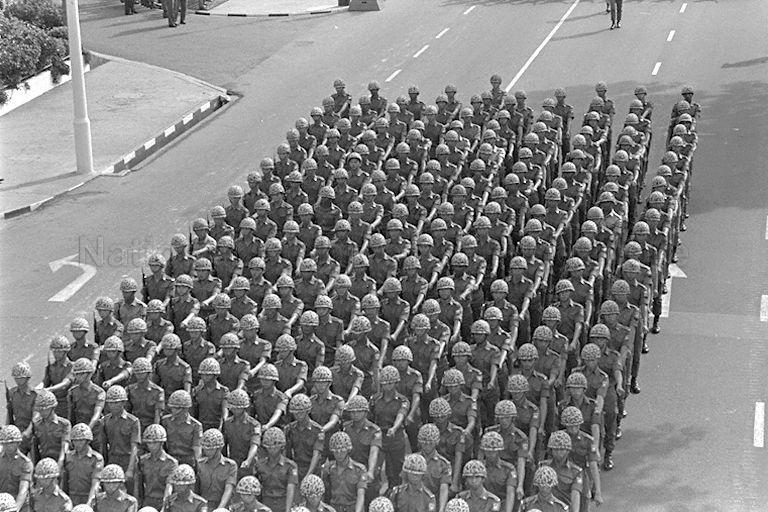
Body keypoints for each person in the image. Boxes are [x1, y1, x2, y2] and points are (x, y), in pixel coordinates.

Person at [252, 427, 298, 512]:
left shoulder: (290, 466)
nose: (272, 449)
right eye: (269, 447)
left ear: (282, 447)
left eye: (275, 446)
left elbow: (290, 489)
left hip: (283, 505)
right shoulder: (259, 465)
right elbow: (255, 490)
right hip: (265, 505)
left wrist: (287, 510)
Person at [320, 432, 367, 512]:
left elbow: (361, 495)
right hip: (333, 508)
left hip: (352, 508)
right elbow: (322, 494)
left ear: (348, 450)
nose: (339, 454)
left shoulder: (359, 470)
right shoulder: (328, 469)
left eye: (342, 451)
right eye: (336, 451)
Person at [135, 424, 177, 510]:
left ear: (162, 442)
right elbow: (138, 485)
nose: (151, 446)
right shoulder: (142, 461)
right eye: (149, 443)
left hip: (163, 502)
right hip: (147, 501)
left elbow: (169, 487)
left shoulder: (171, 463)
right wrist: (138, 503)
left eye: (155, 443)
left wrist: (164, 506)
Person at [62, 424, 102, 506]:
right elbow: (63, 481)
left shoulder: (96, 458)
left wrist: (90, 502)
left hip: (88, 496)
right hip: (71, 497)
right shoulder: (68, 457)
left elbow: (95, 484)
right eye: (75, 440)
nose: (77, 444)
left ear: (88, 441)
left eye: (81, 441)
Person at [197, 429, 237, 509]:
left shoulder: (230, 466)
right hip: (203, 505)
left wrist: (220, 509)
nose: (207, 452)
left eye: (210, 449)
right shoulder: (199, 464)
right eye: (205, 449)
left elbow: (228, 489)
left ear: (219, 448)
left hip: (222, 506)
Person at [0, 426, 32, 512]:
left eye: (11, 443)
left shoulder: (25, 463)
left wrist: (15, 509)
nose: (8, 446)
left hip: (20, 506)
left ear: (18, 443)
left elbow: (23, 490)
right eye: (5, 443)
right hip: (2, 503)